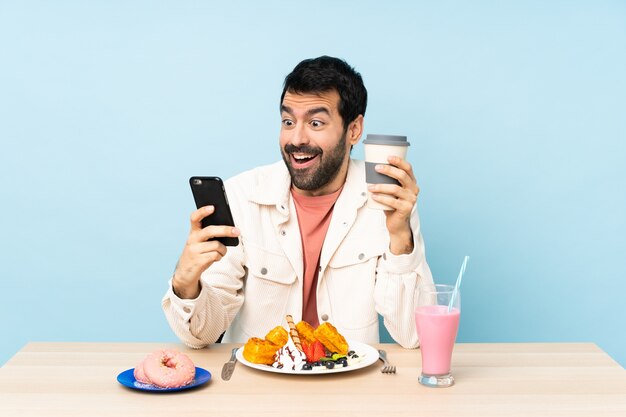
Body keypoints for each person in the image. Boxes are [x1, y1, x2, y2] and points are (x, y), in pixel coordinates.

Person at [162, 56, 433, 349]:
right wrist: (185, 284)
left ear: (353, 130)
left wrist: (400, 236)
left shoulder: (387, 201)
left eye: (316, 122)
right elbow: (201, 335)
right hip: (261, 384)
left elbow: (413, 336)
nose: (296, 138)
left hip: (349, 383)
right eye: (288, 121)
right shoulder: (242, 196)